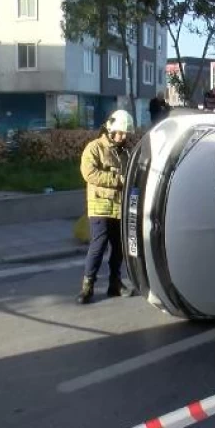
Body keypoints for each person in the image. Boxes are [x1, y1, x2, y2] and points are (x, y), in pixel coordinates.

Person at [77, 109, 138, 305]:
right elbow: (89, 173)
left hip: (120, 207)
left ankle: (115, 284)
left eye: (125, 134)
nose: (122, 137)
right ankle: (87, 286)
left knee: (118, 248)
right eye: (119, 133)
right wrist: (117, 180)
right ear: (110, 130)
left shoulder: (127, 152)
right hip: (100, 207)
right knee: (98, 246)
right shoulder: (94, 148)